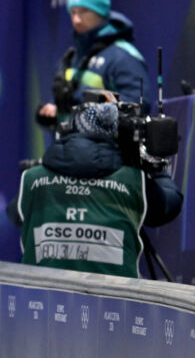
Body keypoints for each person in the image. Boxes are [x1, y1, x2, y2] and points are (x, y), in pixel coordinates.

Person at [12, 101, 183, 278]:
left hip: (41, 293)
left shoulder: (33, 178)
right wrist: (156, 168)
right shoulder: (133, 181)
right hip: (115, 297)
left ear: (74, 129)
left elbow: (16, 215)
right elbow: (169, 205)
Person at [37, 0, 154, 128]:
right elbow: (67, 109)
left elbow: (138, 105)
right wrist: (53, 111)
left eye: (84, 11)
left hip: (107, 149)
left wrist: (86, 101)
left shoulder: (122, 55)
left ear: (100, 12)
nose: (76, 20)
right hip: (68, 148)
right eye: (73, 12)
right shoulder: (71, 58)